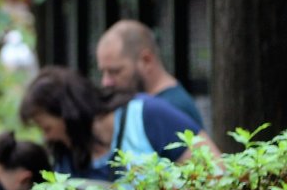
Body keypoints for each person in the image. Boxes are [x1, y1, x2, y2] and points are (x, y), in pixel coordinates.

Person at [19, 65, 207, 183]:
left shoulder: (146, 114)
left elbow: (214, 171)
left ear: (69, 115)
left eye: (47, 128)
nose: (47, 137)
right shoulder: (67, 158)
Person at [97, 20, 204, 130]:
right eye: (103, 72)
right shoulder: (150, 106)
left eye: (115, 71)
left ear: (146, 60)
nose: (106, 82)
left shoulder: (173, 108)